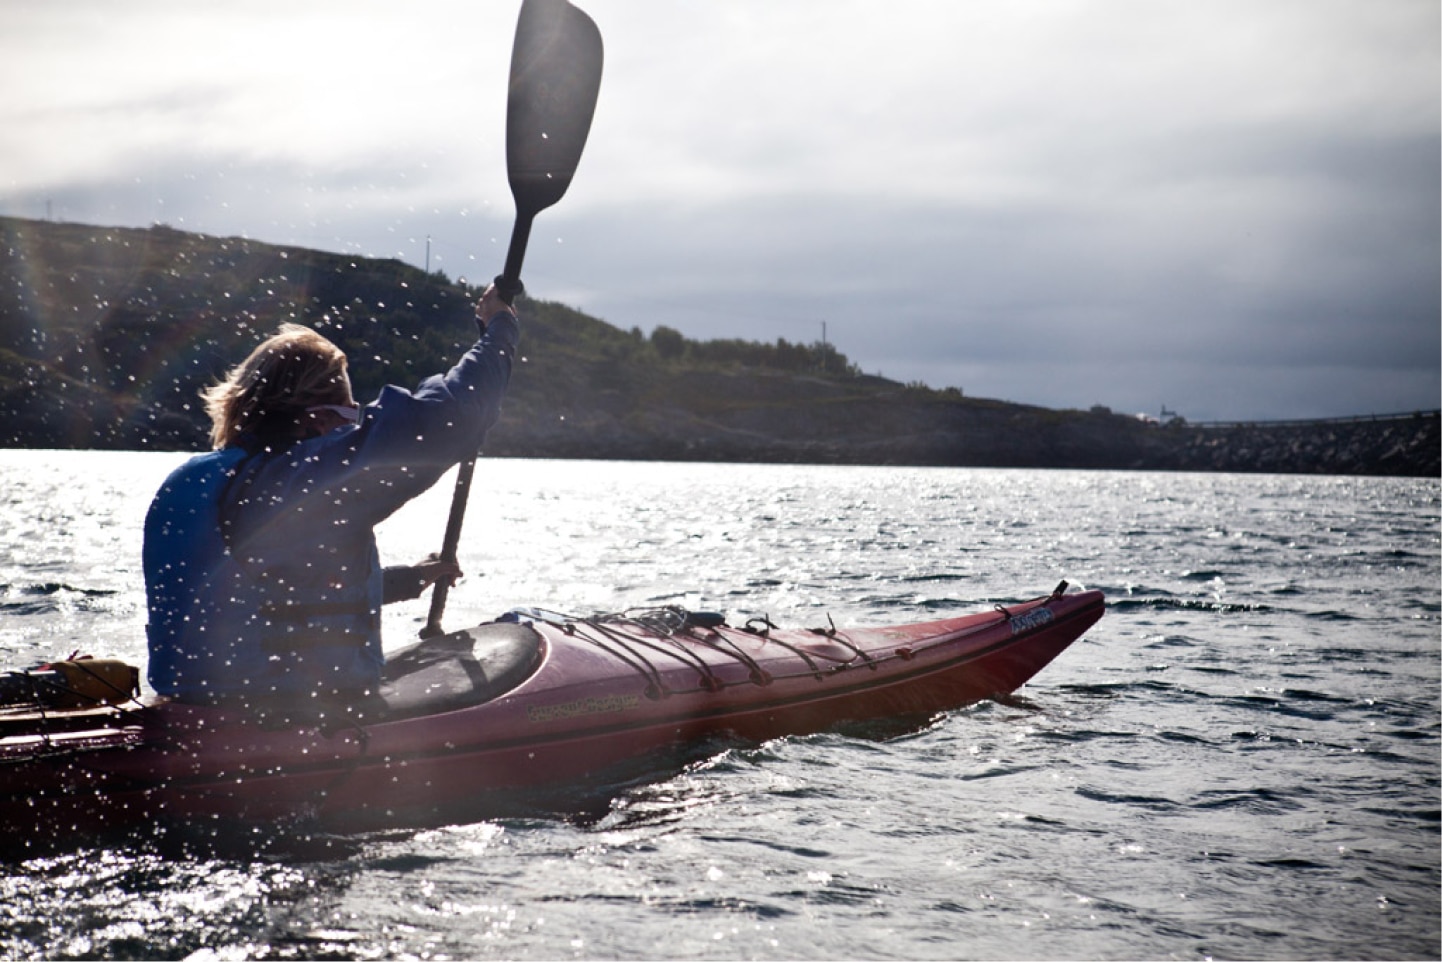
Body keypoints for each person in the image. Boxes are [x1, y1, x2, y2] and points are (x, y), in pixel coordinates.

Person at [143, 285, 518, 713]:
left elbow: (259, 595)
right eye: (346, 416)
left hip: (195, 701)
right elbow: (448, 418)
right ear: (314, 418)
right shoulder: (288, 482)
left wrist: (407, 580)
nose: (348, 431)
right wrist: (499, 328)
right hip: (286, 712)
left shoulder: (199, 480)